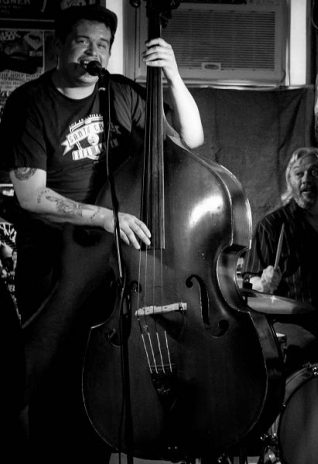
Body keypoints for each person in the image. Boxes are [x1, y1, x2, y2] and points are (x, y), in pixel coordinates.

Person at [0, 5, 204, 462]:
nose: (94, 52)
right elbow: (32, 196)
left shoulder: (123, 96)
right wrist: (106, 218)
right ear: (59, 45)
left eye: (103, 45)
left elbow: (191, 141)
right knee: (52, 378)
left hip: (115, 262)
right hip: (57, 258)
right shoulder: (31, 103)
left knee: (99, 374)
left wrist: (172, 74)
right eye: (83, 41)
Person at [244, 147, 318, 375]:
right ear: (290, 181)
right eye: (299, 174)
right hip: (292, 324)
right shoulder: (272, 226)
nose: (306, 179)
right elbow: (249, 285)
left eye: (314, 172)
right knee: (304, 346)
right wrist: (262, 285)